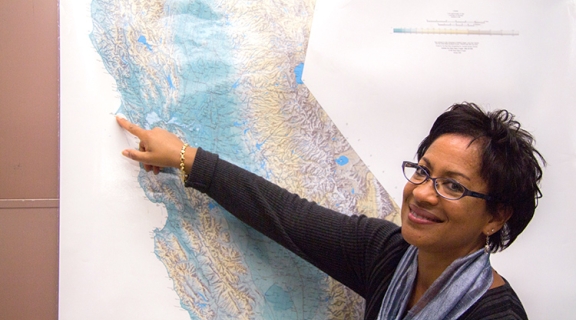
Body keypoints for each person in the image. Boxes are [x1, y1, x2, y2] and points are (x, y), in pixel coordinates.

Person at [116, 102, 544, 319]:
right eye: (423, 171)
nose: (424, 194)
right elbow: (286, 216)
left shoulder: (495, 316)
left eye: (453, 186)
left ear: (495, 216)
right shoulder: (389, 255)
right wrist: (186, 156)